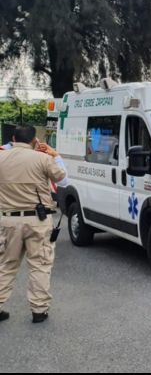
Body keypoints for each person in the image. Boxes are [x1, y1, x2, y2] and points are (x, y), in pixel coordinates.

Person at [0, 125, 69, 324]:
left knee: (6, 265)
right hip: (38, 220)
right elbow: (64, 182)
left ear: (13, 138)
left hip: (8, 219)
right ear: (35, 140)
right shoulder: (43, 158)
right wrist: (55, 156)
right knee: (40, 265)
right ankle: (39, 311)